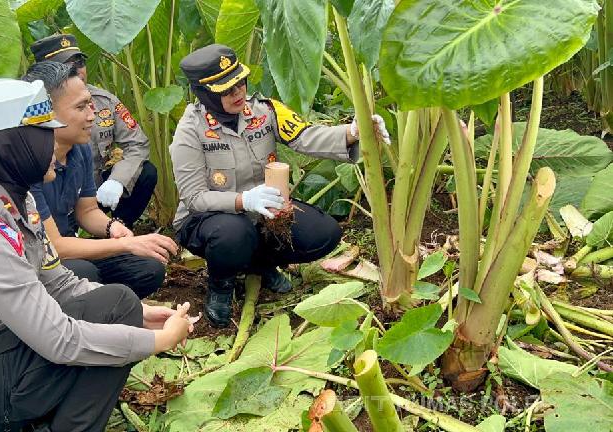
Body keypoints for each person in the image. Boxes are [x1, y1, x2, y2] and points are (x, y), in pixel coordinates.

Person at [0, 78, 194, 431]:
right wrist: (156, 341)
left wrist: (143, 315)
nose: (55, 144)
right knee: (114, 318)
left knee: (120, 304)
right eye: (46, 135)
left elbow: (59, 283)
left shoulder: (15, 200)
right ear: (17, 146)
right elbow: (58, 341)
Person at [171, 44, 389, 327]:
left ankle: (260, 265)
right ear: (205, 94)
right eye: (227, 90)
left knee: (322, 233)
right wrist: (242, 201)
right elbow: (194, 198)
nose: (239, 94)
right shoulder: (190, 131)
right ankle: (221, 286)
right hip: (208, 221)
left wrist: (352, 132)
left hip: (263, 211)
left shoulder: (264, 110)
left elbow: (305, 136)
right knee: (234, 234)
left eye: (241, 83)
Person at [23, 61, 177, 299]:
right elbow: (55, 245)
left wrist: (112, 227)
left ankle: (98, 299)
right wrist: (124, 245)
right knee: (84, 271)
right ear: (48, 112)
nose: (92, 115)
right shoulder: (30, 162)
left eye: (91, 105)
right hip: (39, 258)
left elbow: (87, 210)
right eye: (81, 107)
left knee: (148, 268)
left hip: (69, 248)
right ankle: (88, 305)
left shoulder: (79, 148)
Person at [30, 33, 157, 228]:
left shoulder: (104, 100)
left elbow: (137, 143)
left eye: (79, 62)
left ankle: (117, 228)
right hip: (51, 194)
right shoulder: (33, 109)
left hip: (94, 188)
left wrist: (117, 180)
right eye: (67, 66)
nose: (77, 71)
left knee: (146, 173)